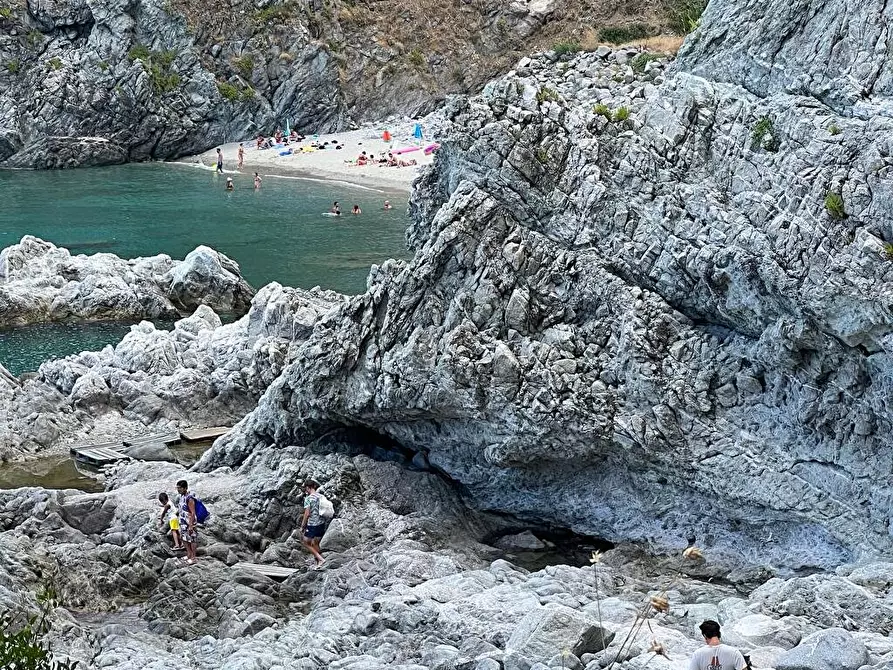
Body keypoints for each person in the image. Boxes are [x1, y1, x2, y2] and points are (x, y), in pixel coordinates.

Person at [300, 479, 325, 568]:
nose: (305, 490)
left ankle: (321, 559)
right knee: (315, 543)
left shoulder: (308, 499)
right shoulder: (321, 496)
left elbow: (307, 514)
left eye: (305, 488)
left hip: (313, 524)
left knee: (305, 542)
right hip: (321, 523)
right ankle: (319, 563)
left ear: (308, 488)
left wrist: (303, 526)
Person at [176, 479, 199, 564]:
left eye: (180, 488)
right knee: (184, 538)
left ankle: (193, 557)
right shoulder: (182, 497)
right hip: (183, 522)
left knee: (192, 539)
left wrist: (190, 525)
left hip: (190, 522)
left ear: (185, 488)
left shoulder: (189, 498)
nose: (178, 490)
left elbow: (193, 512)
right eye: (177, 488)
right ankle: (189, 554)